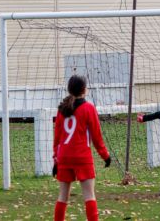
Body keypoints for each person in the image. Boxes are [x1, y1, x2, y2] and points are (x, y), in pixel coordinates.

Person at [52, 75, 111, 221]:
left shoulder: (61, 109)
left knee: (62, 196)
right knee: (89, 195)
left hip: (64, 157)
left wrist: (56, 161)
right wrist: (105, 155)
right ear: (85, 90)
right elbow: (97, 137)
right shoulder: (88, 108)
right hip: (82, 157)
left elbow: (57, 139)